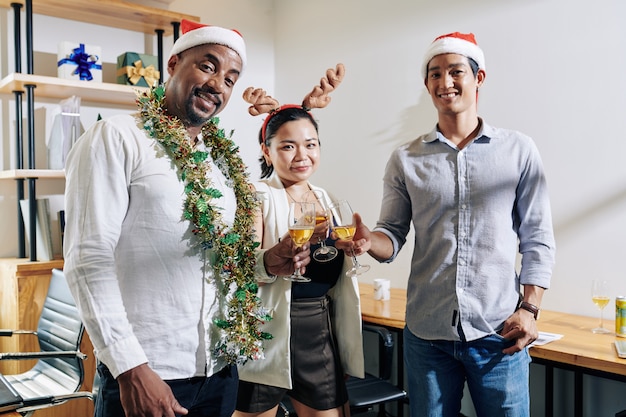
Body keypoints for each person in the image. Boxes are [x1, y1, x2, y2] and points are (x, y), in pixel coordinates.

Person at [62, 19, 310, 417]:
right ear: (173, 64)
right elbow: (88, 260)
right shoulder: (117, 137)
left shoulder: (221, 166)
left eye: (231, 79)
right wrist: (131, 369)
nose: (218, 85)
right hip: (148, 372)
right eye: (208, 67)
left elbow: (218, 259)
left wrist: (266, 261)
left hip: (220, 370)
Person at [346, 32, 556, 416]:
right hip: (428, 336)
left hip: (499, 333)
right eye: (435, 74)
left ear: (478, 78)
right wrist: (367, 241)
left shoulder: (518, 150)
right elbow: (391, 235)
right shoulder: (405, 158)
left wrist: (530, 309)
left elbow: (538, 237)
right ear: (426, 85)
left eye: (455, 71)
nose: (445, 83)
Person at [233, 64, 364, 417]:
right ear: (267, 151)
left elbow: (334, 271)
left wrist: (348, 249)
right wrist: (275, 257)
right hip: (267, 330)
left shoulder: (325, 197)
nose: (302, 155)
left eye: (310, 144)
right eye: (288, 146)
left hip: (318, 332)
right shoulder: (256, 195)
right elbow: (241, 267)